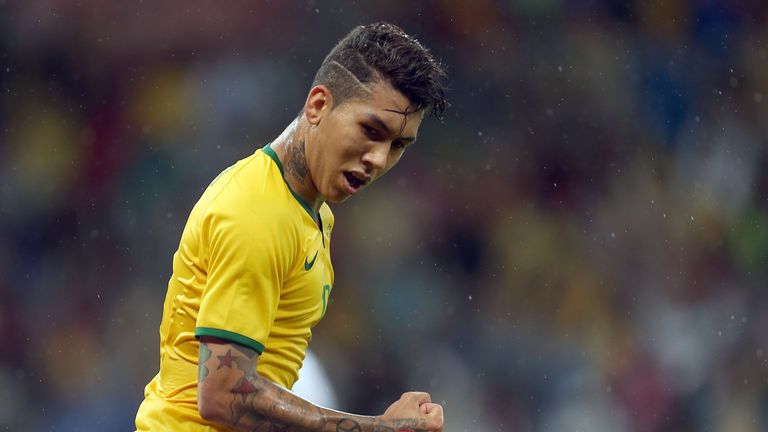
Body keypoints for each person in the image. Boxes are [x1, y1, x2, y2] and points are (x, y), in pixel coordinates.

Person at [135, 21, 447, 432]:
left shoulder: (312, 209)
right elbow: (222, 396)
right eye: (371, 131)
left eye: (397, 146)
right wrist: (378, 429)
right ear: (318, 106)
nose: (378, 158)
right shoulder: (256, 214)